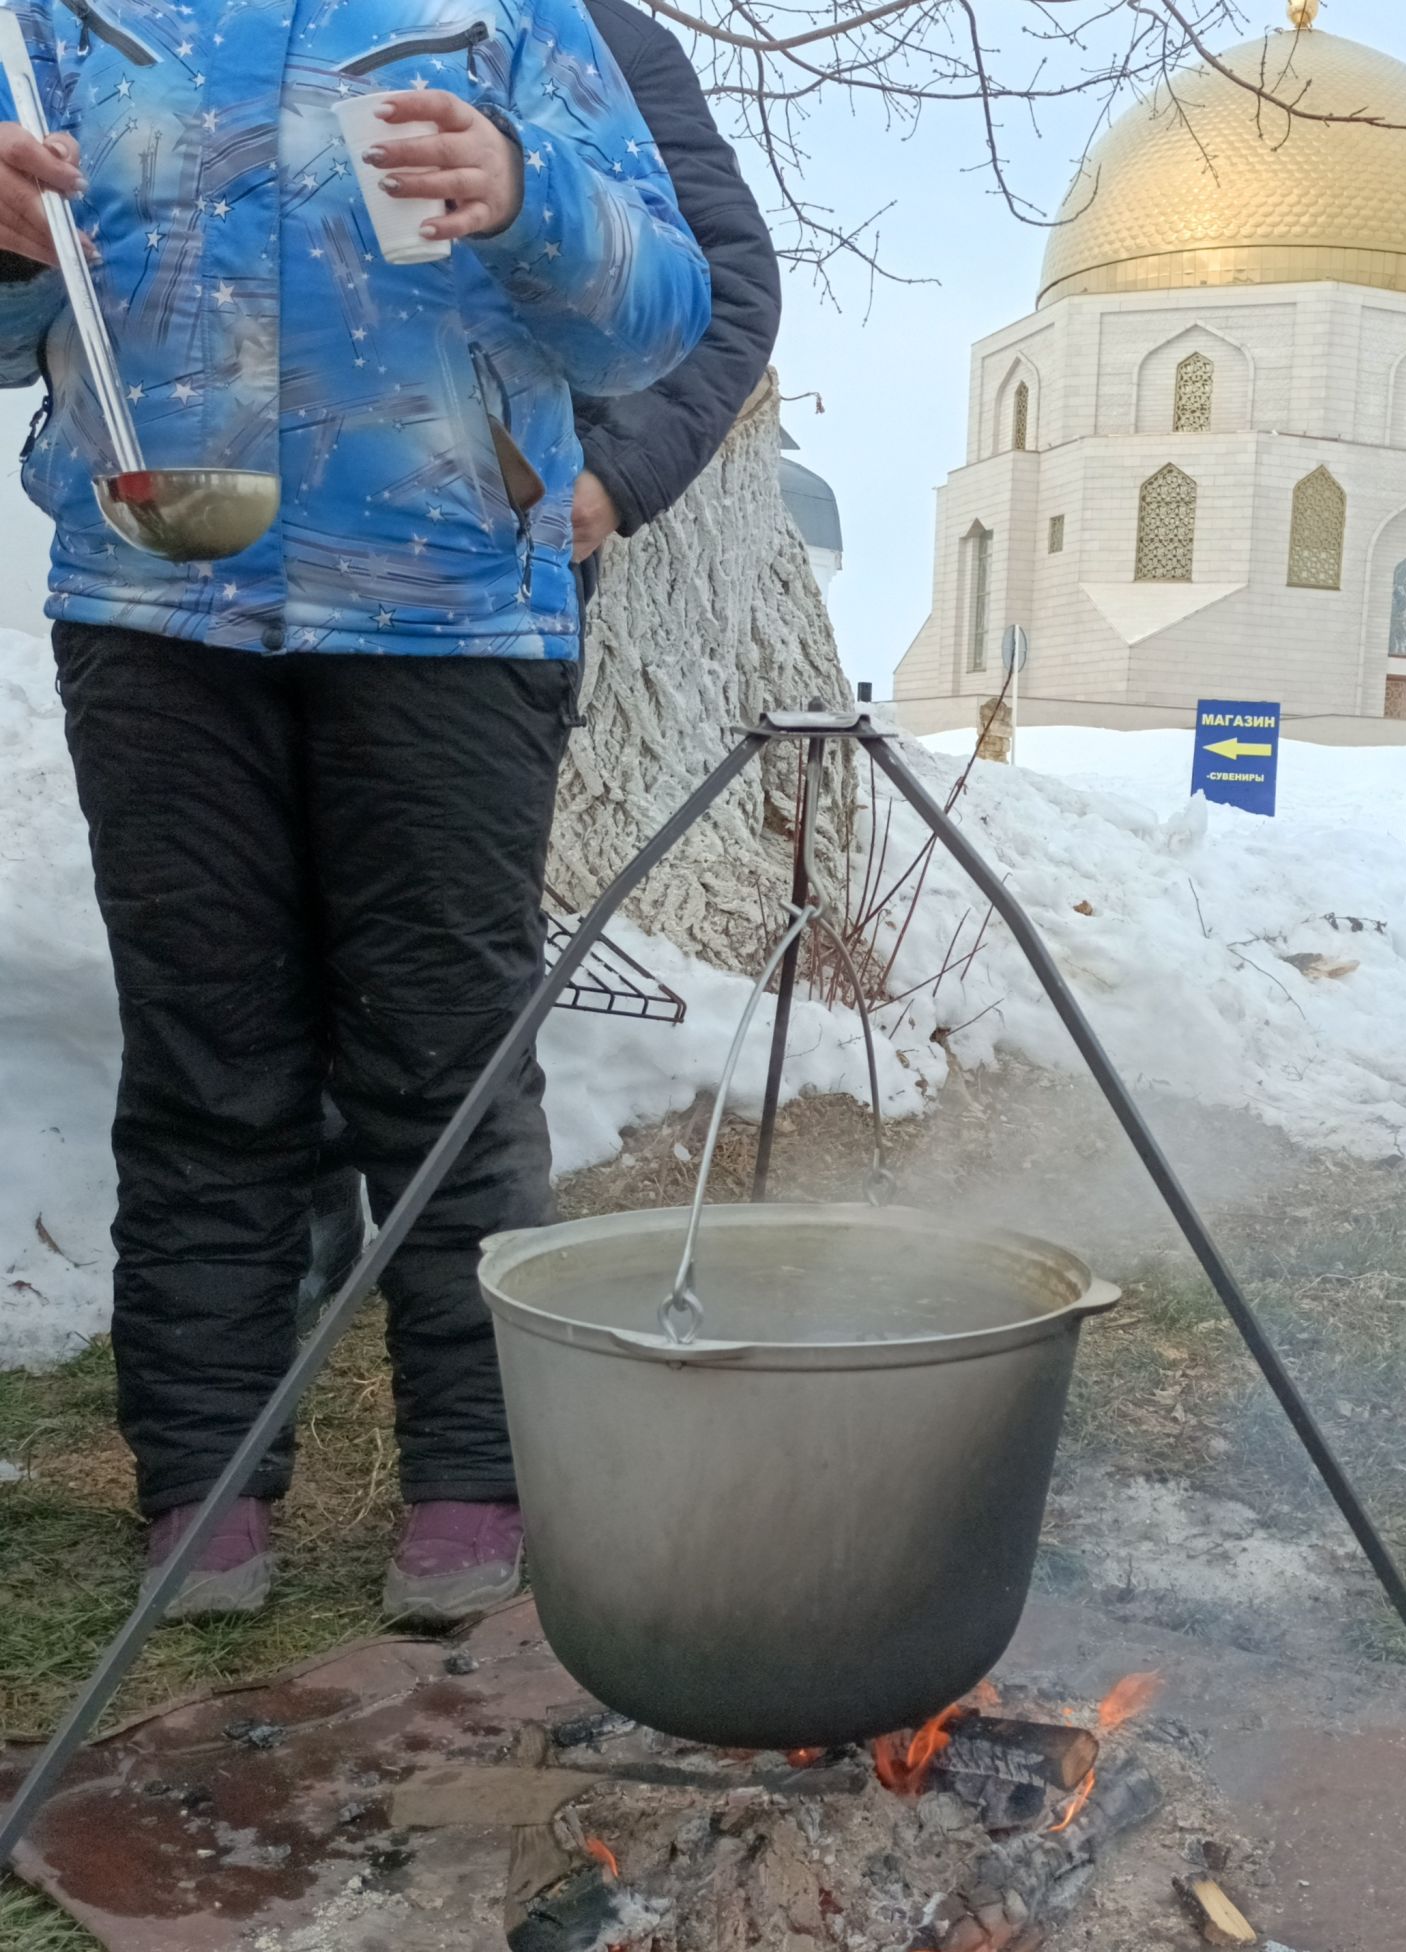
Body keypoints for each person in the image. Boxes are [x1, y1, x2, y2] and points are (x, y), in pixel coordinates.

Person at [0, 1, 712, 1626]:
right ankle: (205, 1484)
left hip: (453, 608)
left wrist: (537, 196)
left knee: (446, 1061)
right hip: (156, 596)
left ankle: (475, 1480)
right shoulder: (64, 22)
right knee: (207, 1054)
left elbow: (659, 317)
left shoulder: (509, 16)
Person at [299, 3, 784, 1348]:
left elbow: (726, 280)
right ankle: (304, 1260)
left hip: (478, 588)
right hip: (247, 590)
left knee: (441, 970)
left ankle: (474, 1347)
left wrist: (615, 477)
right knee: (255, 955)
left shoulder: (583, 31)